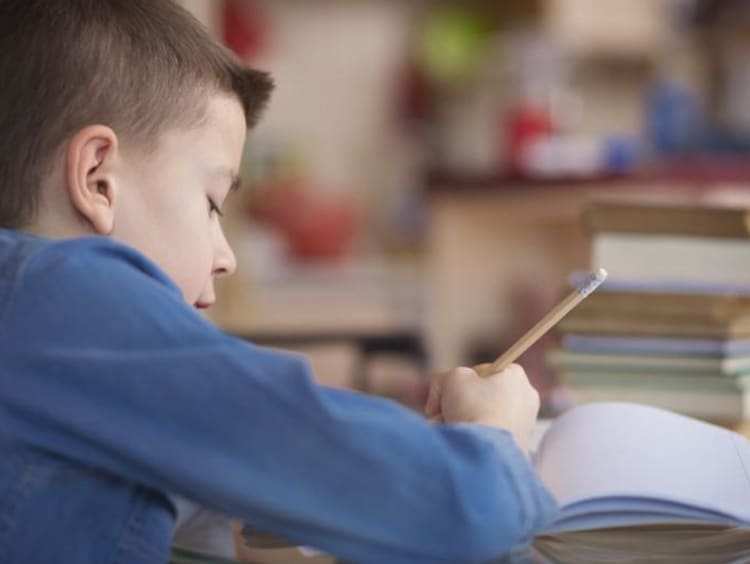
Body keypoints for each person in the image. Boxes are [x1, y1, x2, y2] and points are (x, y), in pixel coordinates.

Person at [0, 1, 558, 563]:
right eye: (212, 203)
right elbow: (465, 507)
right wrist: (496, 434)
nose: (226, 257)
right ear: (98, 178)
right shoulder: (73, 304)